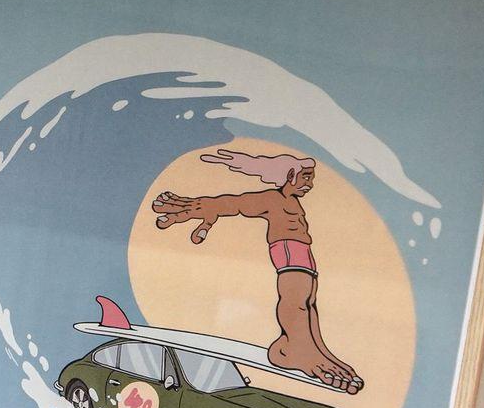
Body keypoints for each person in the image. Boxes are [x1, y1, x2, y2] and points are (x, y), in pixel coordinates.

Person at [152, 148, 362, 394]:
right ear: (290, 176)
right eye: (306, 177)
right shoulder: (273, 199)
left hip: (304, 262)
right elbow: (235, 204)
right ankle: (294, 348)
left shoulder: (292, 202)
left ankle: (317, 350)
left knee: (309, 304)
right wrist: (201, 207)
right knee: (295, 301)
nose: (311, 184)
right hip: (290, 257)